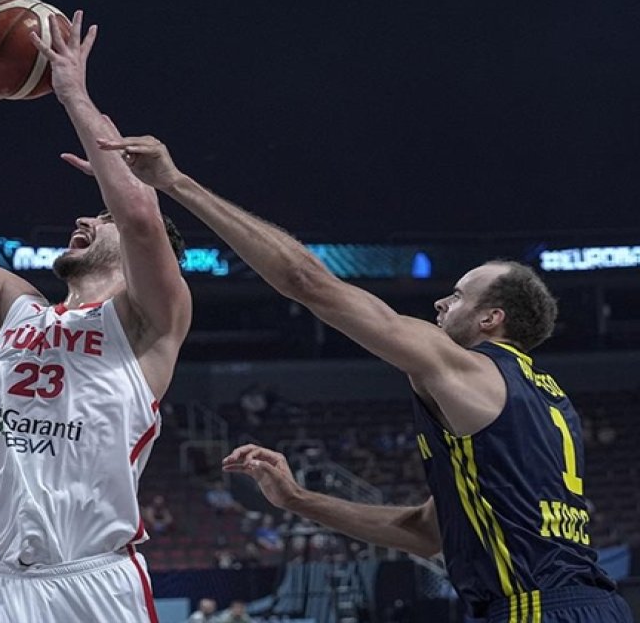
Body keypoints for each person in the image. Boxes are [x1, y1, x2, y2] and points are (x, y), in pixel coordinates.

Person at [87, 134, 631, 622]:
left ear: (493, 320)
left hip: (533, 609)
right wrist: (299, 500)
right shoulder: (552, 404)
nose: (442, 301)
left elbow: (308, 282)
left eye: (460, 294)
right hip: (593, 605)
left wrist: (175, 182)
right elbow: (427, 532)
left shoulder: (469, 368)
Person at [0, 10, 192, 623]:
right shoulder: (13, 309)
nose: (84, 219)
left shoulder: (150, 322)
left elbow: (142, 218)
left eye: (98, 218)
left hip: (91, 579)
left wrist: (72, 89)